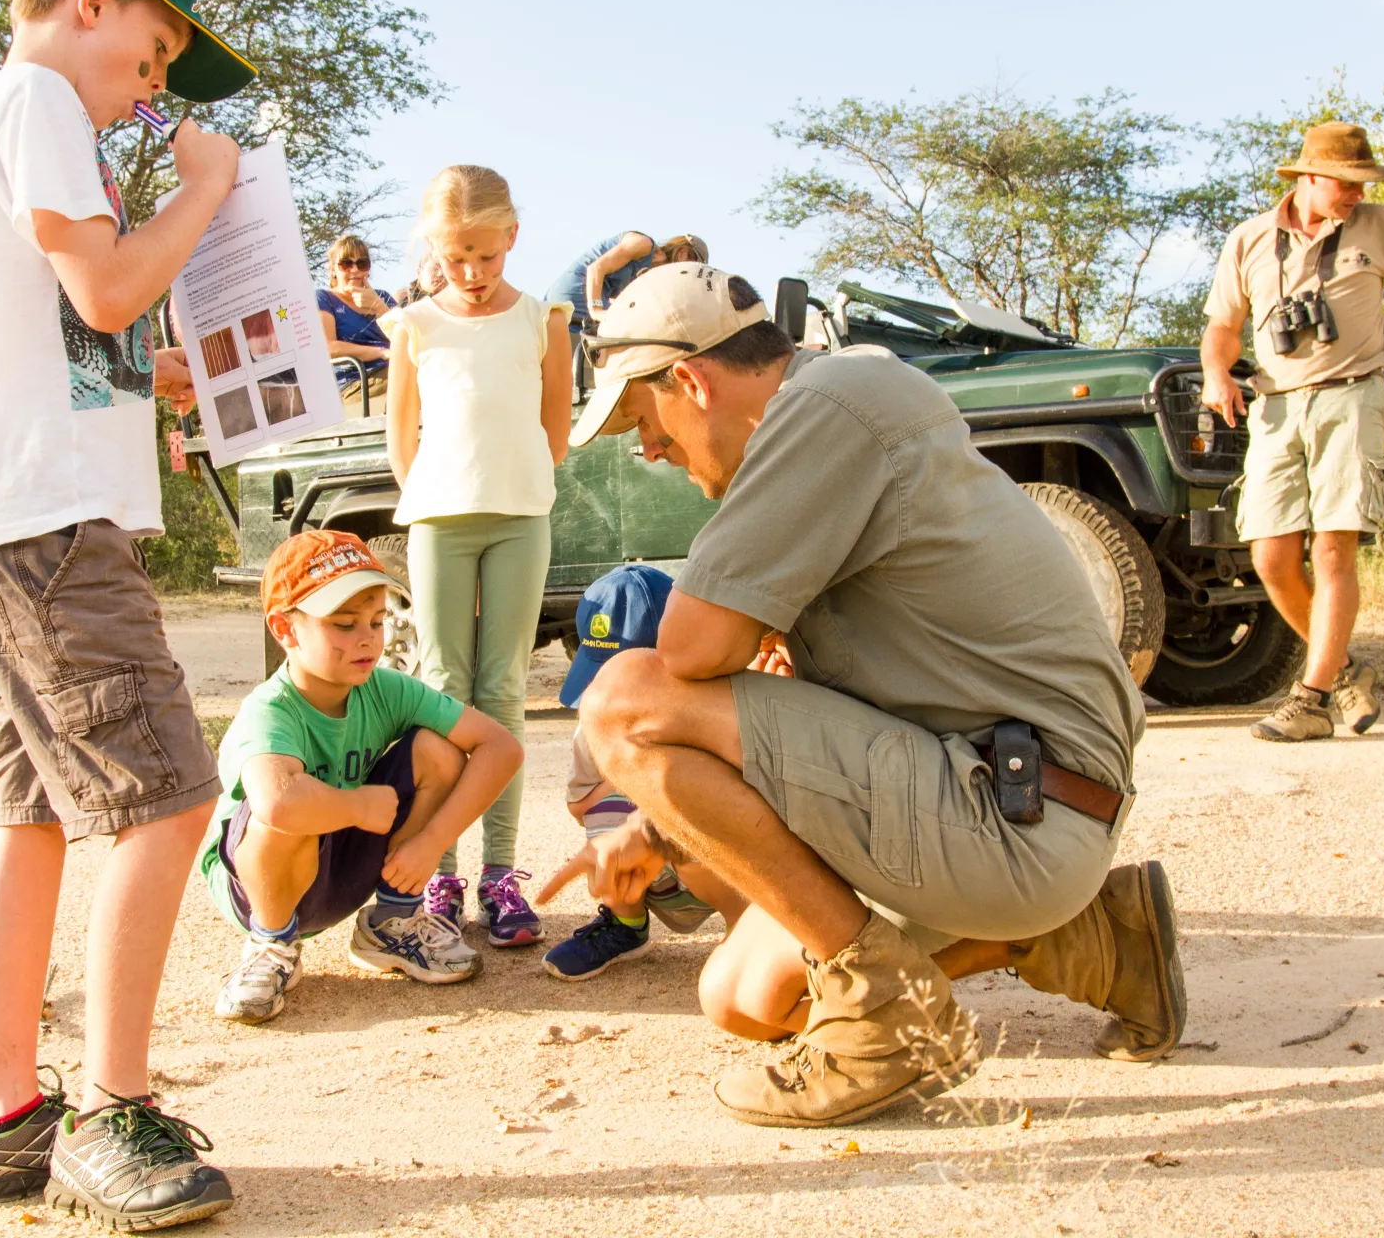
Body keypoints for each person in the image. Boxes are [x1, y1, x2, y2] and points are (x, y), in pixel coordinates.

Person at [542, 263, 1180, 1128]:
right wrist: (654, 827)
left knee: (623, 697)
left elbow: (688, 654)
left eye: (639, 418)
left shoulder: (830, 406)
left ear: (689, 381)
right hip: (1011, 799)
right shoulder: (835, 413)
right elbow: (810, 715)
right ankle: (1094, 938)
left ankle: (881, 1010)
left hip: (1014, 811)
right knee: (741, 999)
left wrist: (662, 769)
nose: (647, 448)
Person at [0, 0, 256, 1227]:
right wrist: (209, 193)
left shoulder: (16, 115)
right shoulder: (39, 102)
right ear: (87, 3)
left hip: (32, 516)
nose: (155, 83)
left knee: (38, 816)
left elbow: (86, 320)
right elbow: (111, 289)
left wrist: (156, 373)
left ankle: (2, 1113)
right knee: (171, 800)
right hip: (54, 527)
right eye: (153, 48)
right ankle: (114, 1110)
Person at [1200, 122, 1384, 742]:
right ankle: (1343, 672)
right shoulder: (1250, 238)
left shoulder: (1380, 225)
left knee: (1333, 548)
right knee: (1271, 556)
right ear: (1309, 178)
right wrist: (1215, 374)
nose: (1356, 195)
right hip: (1276, 408)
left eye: (1363, 183)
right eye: (1346, 183)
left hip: (1352, 397)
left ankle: (1309, 699)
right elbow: (1224, 328)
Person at [205, 530, 523, 1021]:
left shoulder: (387, 688)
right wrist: (359, 806)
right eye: (344, 623)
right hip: (265, 888)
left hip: (346, 862)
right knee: (281, 805)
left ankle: (392, 924)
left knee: (439, 749)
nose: (368, 639)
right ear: (286, 630)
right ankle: (270, 948)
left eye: (377, 621)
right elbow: (278, 804)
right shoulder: (269, 711)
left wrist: (432, 841)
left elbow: (500, 747)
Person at [382, 165, 573, 947]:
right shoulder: (416, 325)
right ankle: (440, 875)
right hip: (439, 521)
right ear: (435, 247)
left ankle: (500, 877)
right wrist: (438, 491)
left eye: (486, 258)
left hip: (520, 517)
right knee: (441, 688)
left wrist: (518, 481)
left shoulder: (542, 319)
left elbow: (555, 427)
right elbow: (401, 437)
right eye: (456, 257)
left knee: (502, 690)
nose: (471, 274)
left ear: (511, 240)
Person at [543, 564, 746, 981]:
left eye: (625, 672)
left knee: (687, 811)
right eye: (600, 674)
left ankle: (746, 928)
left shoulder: (719, 704)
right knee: (611, 813)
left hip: (729, 873)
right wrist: (634, 781)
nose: (609, 693)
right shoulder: (593, 725)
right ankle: (626, 925)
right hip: (644, 874)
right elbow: (579, 804)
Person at [550, 231, 709, 331]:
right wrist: (596, 310)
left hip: (574, 315)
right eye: (691, 265)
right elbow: (596, 269)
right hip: (575, 293)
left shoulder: (649, 276)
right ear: (682, 253)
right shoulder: (643, 244)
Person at [317, 234, 397, 399]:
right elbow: (329, 347)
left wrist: (380, 309)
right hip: (357, 380)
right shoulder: (325, 299)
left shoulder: (382, 297)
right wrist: (381, 352)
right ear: (333, 268)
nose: (355, 270)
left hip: (395, 368)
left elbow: (411, 337)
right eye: (346, 264)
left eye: (362, 264)